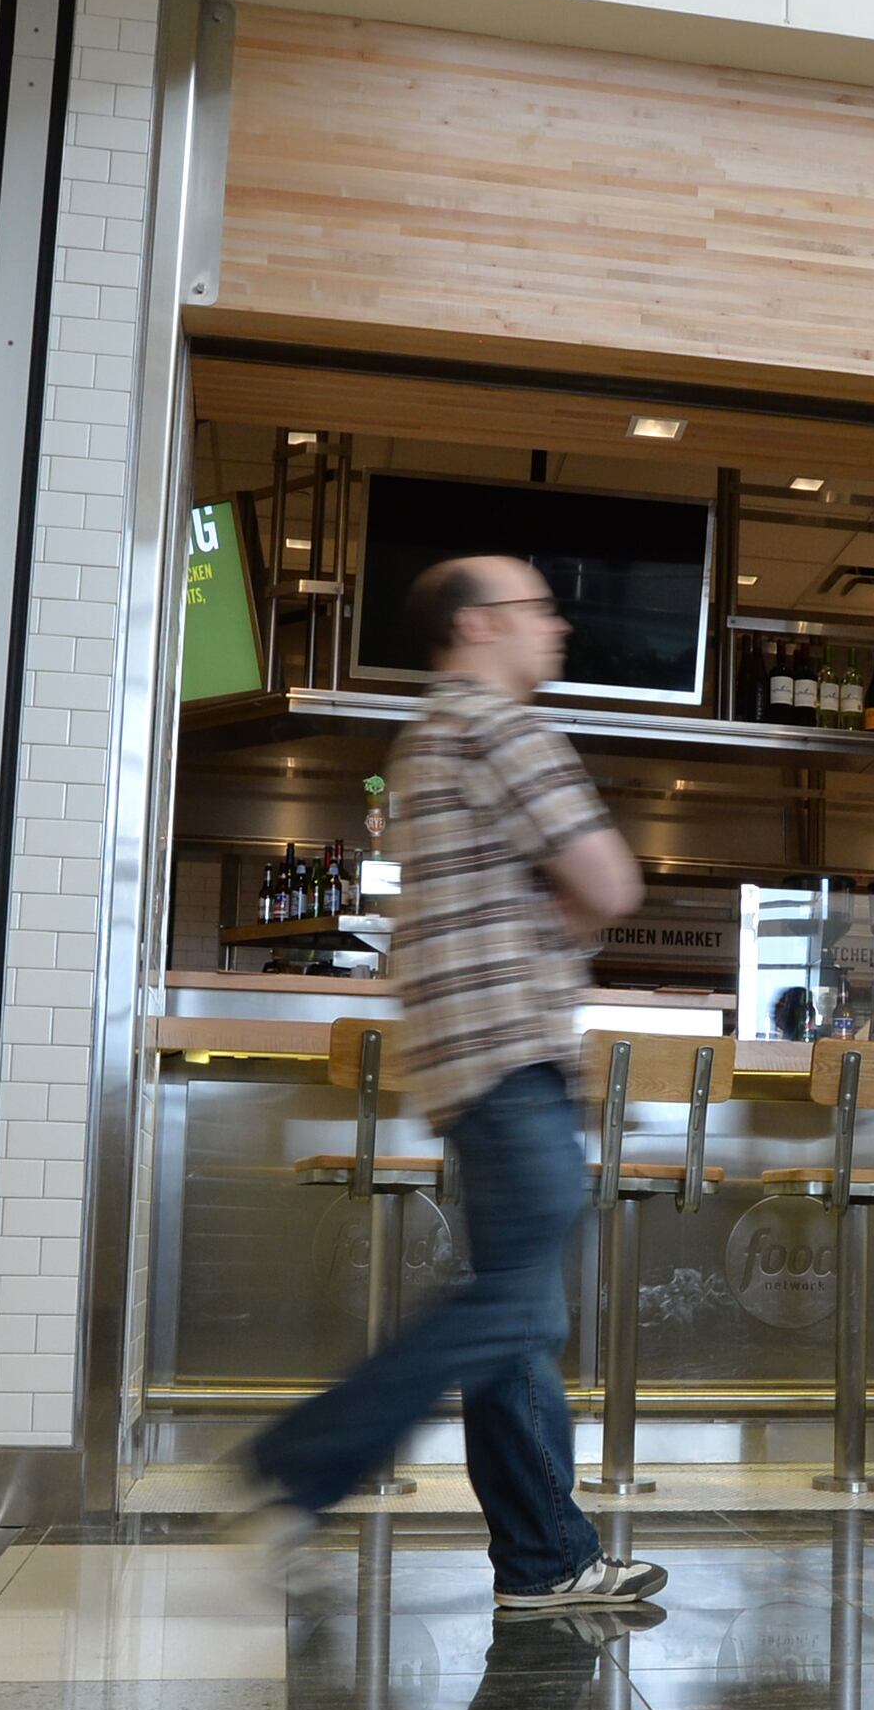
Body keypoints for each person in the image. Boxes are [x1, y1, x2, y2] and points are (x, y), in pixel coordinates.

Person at [234, 555, 668, 1613]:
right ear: (478, 627)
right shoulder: (503, 728)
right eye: (536, 609)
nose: (556, 628)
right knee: (507, 1304)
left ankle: (545, 1557)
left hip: (464, 1071)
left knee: (517, 1317)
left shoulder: (421, 743)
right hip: (516, 1057)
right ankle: (298, 1464)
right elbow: (614, 880)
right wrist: (560, 925)